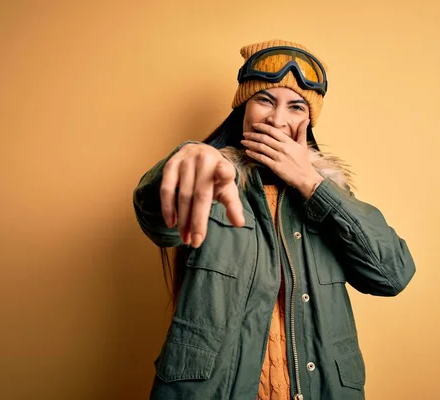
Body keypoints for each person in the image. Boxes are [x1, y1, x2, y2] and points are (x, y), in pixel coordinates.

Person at [133, 39, 416, 400]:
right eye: (264, 100)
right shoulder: (213, 180)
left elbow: (393, 275)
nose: (277, 120)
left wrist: (312, 183)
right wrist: (188, 160)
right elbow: (157, 220)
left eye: (296, 107)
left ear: (308, 121)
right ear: (243, 109)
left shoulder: (329, 199)